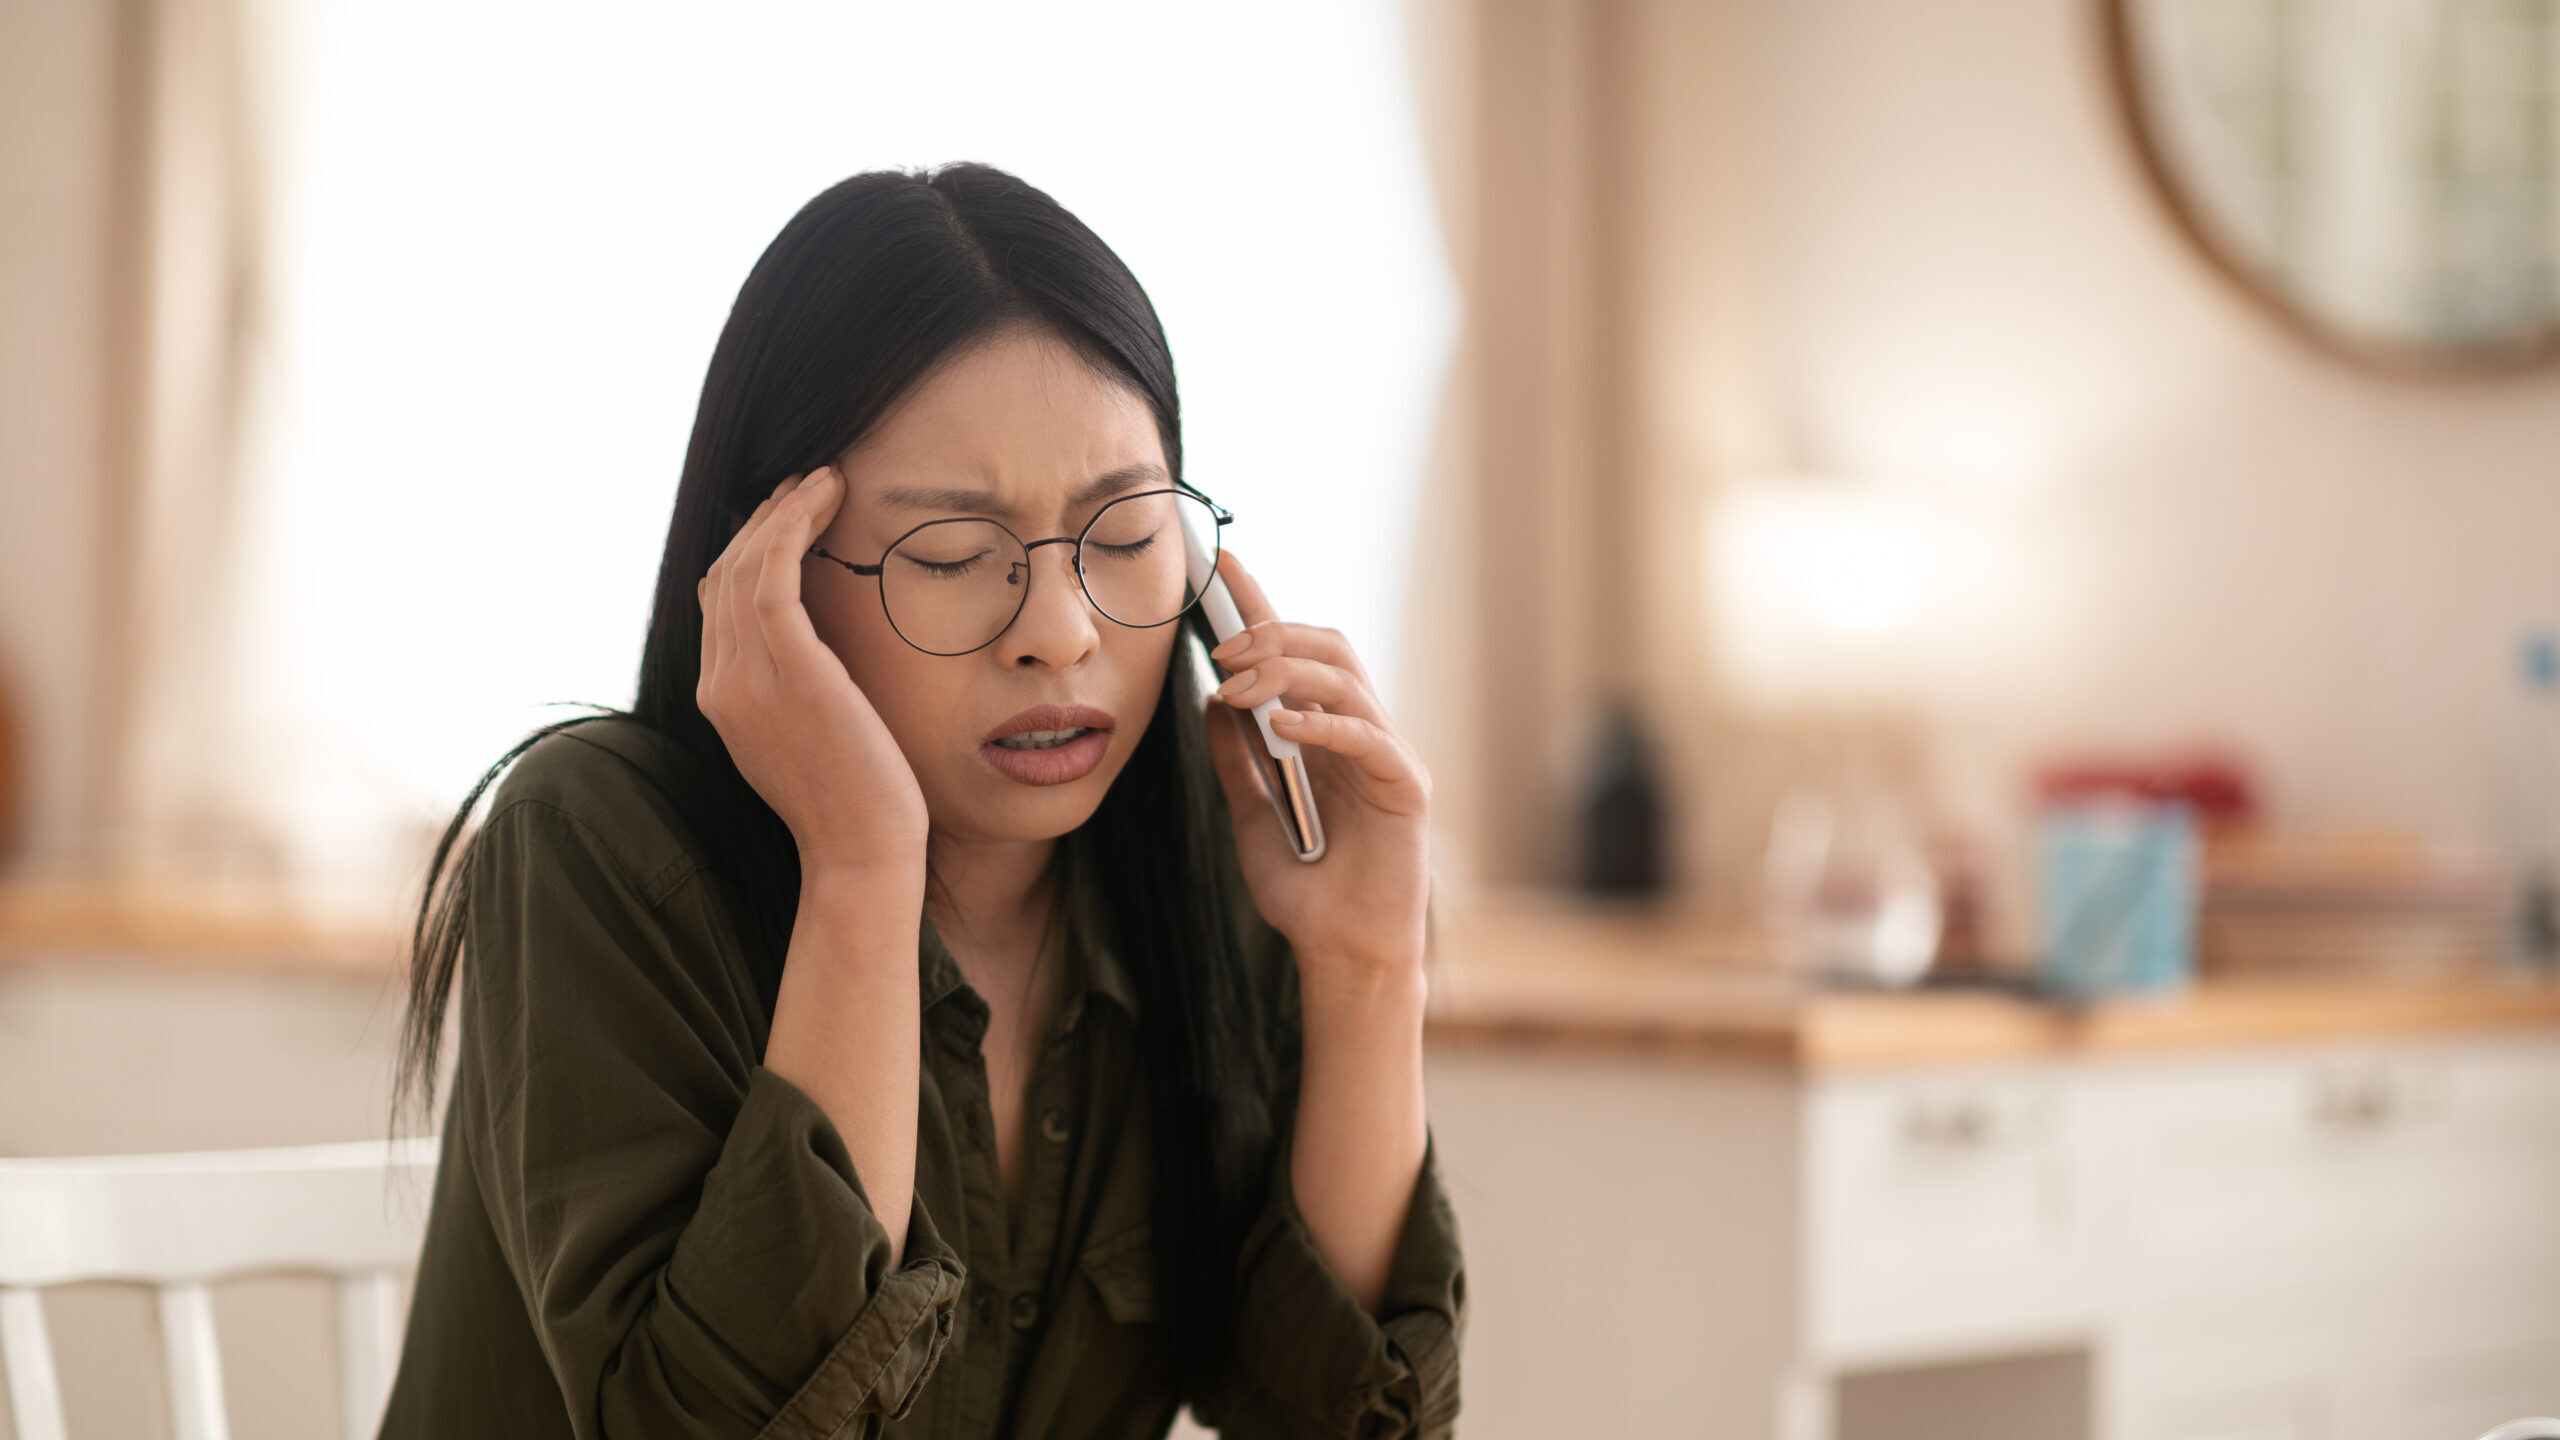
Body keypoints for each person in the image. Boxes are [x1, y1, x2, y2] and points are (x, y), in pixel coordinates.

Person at [377, 163, 1464, 1439]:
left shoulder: (1203, 860)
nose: (1058, 634)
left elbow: (1338, 1424)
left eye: (1123, 536)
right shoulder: (593, 845)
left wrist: (1367, 963)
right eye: (950, 555)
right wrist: (861, 868)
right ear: (764, 570)